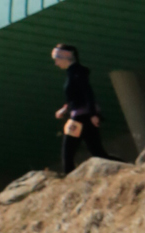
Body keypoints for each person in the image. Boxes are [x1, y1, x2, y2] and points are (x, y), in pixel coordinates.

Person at [52, 43, 109, 175]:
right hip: (84, 117)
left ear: (67, 55)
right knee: (97, 152)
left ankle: (69, 178)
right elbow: (77, 96)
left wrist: (93, 114)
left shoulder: (77, 72)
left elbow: (87, 92)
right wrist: (65, 108)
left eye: (57, 58)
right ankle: (126, 167)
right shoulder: (73, 72)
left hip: (80, 118)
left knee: (68, 153)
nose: (56, 63)